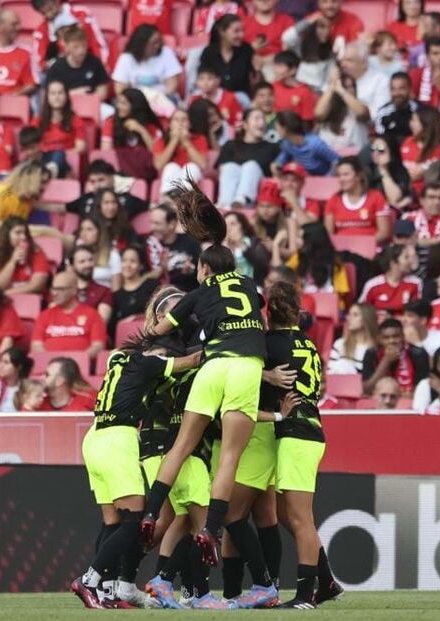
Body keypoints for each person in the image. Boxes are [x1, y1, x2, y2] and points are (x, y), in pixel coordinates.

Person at [138, 182, 274, 604]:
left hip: (213, 365)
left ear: (205, 269)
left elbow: (160, 329)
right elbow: (261, 322)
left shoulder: (198, 292)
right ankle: (212, 530)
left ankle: (148, 513)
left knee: (183, 444)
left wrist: (145, 335)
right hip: (247, 367)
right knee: (229, 456)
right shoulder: (251, 287)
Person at [68, 336, 201, 609]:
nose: (163, 359)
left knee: (113, 522)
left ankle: (107, 591)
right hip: (118, 437)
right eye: (160, 354)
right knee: (134, 520)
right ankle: (89, 580)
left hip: (94, 437)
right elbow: (192, 360)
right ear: (149, 352)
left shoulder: (118, 360)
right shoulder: (146, 362)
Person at [255, 281, 337, 608]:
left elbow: (243, 370)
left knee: (301, 519)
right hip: (308, 429)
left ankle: (306, 596)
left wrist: (263, 375)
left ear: (269, 310)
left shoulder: (269, 344)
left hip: (297, 433)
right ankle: (326, 579)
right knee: (285, 514)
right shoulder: (307, 343)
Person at [31, 270, 106, 356]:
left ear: (74, 290)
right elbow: (36, 346)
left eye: (60, 289)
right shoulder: (44, 315)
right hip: (50, 366)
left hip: (80, 366)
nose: (54, 293)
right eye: (53, 288)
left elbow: (98, 346)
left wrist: (80, 359)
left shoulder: (92, 314)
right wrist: (50, 360)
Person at [216, 108, 280, 209]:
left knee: (251, 166)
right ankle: (224, 204)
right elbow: (221, 171)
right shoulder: (231, 145)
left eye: (263, 119)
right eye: (257, 119)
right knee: (229, 167)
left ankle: (242, 200)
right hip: (230, 193)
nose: (262, 123)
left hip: (258, 194)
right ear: (245, 125)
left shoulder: (272, 147)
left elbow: (276, 173)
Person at [323, 157, 392, 245]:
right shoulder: (333, 200)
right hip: (343, 251)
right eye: (339, 175)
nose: (341, 179)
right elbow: (328, 235)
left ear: (358, 176)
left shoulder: (376, 197)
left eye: (346, 174)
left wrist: (362, 244)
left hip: (370, 249)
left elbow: (384, 232)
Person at [101, 88, 164, 181]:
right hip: (117, 172)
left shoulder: (152, 128)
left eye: (123, 103)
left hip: (144, 175)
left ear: (135, 106)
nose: (118, 106)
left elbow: (156, 154)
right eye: (118, 102)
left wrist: (141, 130)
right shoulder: (110, 122)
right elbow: (106, 152)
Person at [361, 317, 429, 397]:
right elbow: (367, 389)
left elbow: (422, 390)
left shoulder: (418, 354)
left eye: (396, 336)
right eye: (386, 338)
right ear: (380, 339)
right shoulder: (371, 354)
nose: (391, 341)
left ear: (403, 336)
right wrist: (386, 361)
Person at [112, 23, 181, 99]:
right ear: (142, 44)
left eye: (159, 41)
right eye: (154, 43)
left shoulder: (166, 52)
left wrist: (158, 100)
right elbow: (120, 89)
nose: (158, 46)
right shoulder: (126, 58)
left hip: (162, 98)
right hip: (136, 102)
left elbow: (172, 85)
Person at [0, 218, 50, 296]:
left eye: (25, 233)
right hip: (3, 302)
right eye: (18, 233)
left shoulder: (36, 252)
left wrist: (7, 293)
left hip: (32, 300)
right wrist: (13, 261)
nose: (23, 237)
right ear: (7, 235)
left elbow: (37, 285)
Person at [145, 204, 201, 294]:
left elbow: (201, 272)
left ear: (172, 224)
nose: (152, 228)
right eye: (151, 222)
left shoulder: (190, 242)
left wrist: (190, 270)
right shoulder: (149, 246)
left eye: (157, 223)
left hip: (189, 295)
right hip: (159, 297)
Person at [44, 25, 110, 100]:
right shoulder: (56, 67)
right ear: (67, 47)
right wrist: (74, 94)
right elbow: (51, 96)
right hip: (64, 106)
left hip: (90, 104)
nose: (81, 51)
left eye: (84, 46)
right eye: (76, 47)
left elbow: (103, 91)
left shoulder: (95, 63)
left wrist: (88, 99)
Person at [153, 108, 208, 196]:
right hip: (171, 174)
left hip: (194, 178)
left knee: (191, 167)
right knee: (171, 167)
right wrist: (174, 141)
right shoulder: (161, 140)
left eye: (184, 120)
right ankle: (168, 200)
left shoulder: (199, 139)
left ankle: (182, 199)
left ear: (189, 124)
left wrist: (186, 142)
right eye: (176, 120)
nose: (180, 123)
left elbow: (203, 165)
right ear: (170, 124)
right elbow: (158, 165)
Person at [68, 160, 149, 220]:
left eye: (101, 180)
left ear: (112, 178)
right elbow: (60, 207)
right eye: (93, 182)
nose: (97, 186)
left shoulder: (127, 199)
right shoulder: (85, 199)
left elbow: (152, 206)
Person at [359, 244, 421, 321]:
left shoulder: (415, 283)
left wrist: (392, 319)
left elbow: (417, 315)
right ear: (393, 263)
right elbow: (361, 311)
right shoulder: (372, 285)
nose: (410, 261)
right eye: (406, 257)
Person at [272, 111, 339, 177]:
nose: (276, 130)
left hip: (325, 180)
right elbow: (282, 158)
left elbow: (337, 161)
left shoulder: (315, 144)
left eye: (277, 127)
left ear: (285, 129)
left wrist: (328, 178)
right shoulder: (287, 144)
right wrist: (277, 165)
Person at [111, 247, 159, 336]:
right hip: (127, 340)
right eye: (124, 260)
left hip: (152, 336)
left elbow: (160, 313)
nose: (127, 265)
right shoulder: (116, 296)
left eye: (132, 261)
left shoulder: (152, 286)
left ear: (141, 265)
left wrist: (137, 318)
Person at [66, 245, 114, 323]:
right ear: (72, 266)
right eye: (82, 262)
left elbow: (102, 322)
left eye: (90, 260)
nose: (87, 265)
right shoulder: (62, 290)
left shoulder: (104, 291)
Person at [400, 106, 440, 191]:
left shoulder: (439, 148)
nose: (410, 123)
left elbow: (416, 174)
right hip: (406, 190)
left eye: (414, 120)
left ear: (426, 123)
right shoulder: (407, 142)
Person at [327, 304, 377, 375]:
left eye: (355, 315)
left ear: (367, 318)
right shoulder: (340, 343)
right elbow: (329, 372)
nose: (349, 318)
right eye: (349, 314)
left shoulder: (375, 348)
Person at [365, 135, 411, 210]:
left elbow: (394, 198)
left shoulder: (400, 171)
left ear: (391, 152)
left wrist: (383, 170)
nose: (375, 153)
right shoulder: (367, 171)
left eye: (381, 150)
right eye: (373, 149)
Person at [270, 51, 319, 120]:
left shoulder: (305, 92)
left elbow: (308, 119)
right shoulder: (274, 85)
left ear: (293, 70)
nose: (275, 70)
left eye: (280, 66)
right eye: (275, 66)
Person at [374, 72, 419, 144]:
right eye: (393, 89)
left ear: (410, 89)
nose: (397, 93)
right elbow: (381, 139)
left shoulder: (419, 110)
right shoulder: (383, 112)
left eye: (401, 89)